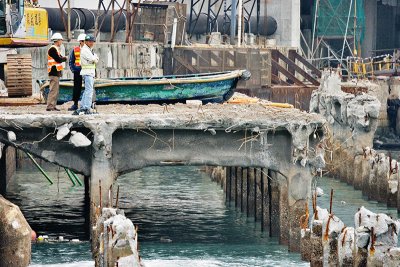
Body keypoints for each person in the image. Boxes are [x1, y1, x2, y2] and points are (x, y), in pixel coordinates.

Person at [74, 35, 99, 115]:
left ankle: (83, 106)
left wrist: (95, 58)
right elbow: (94, 59)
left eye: (92, 42)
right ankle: (87, 107)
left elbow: (95, 58)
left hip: (89, 72)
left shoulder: (88, 49)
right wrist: (95, 59)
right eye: (90, 41)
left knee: (87, 90)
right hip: (88, 73)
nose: (91, 43)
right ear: (86, 42)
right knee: (89, 90)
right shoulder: (85, 50)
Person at [46, 32, 67, 111]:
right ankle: (50, 106)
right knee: (53, 90)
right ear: (57, 40)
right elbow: (58, 59)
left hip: (56, 73)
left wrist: (64, 58)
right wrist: (65, 58)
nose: (61, 42)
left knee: (56, 90)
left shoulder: (56, 49)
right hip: (53, 72)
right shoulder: (52, 49)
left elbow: (60, 57)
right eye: (61, 40)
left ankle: (53, 105)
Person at [68, 33, 86, 111]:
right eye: (83, 41)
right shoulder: (75, 50)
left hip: (86, 71)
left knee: (88, 88)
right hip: (78, 71)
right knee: (76, 88)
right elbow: (71, 61)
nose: (85, 43)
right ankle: (75, 104)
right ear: (80, 42)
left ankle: (87, 104)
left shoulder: (89, 49)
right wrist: (74, 69)